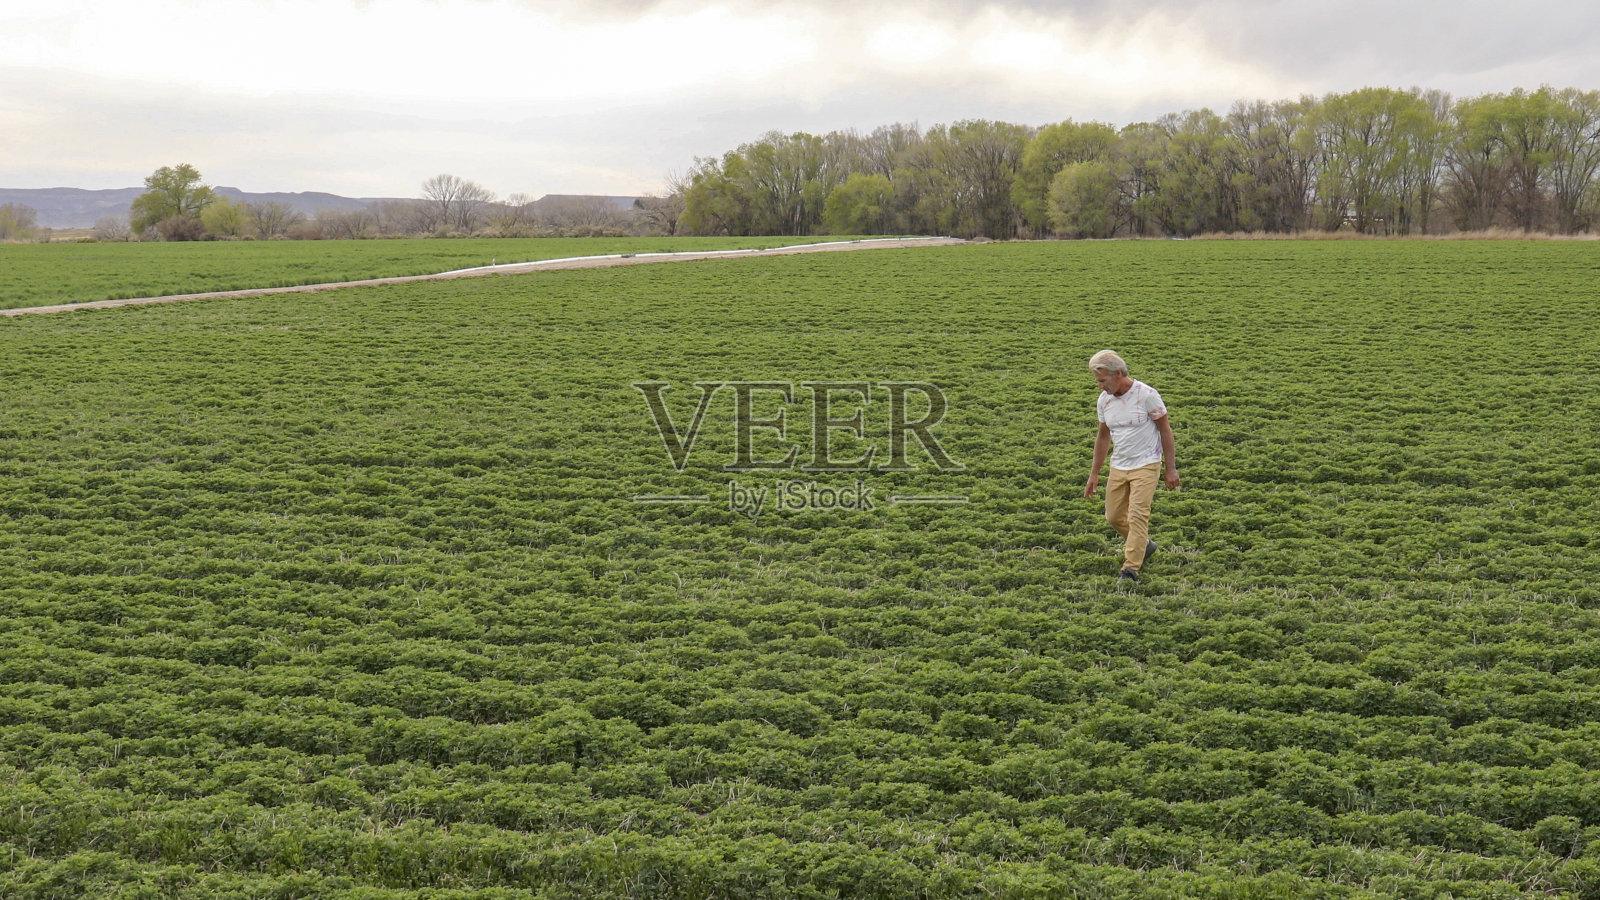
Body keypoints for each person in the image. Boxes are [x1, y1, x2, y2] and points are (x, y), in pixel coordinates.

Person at [1083, 350, 1180, 581]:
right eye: (1097, 381)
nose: (1099, 386)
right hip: (1120, 464)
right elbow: (1103, 436)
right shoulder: (1105, 400)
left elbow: (1165, 430)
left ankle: (1131, 568)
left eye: (1102, 380)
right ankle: (1144, 545)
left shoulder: (1146, 395)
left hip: (1146, 463)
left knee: (1138, 515)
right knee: (1114, 517)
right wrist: (1094, 473)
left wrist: (1171, 468)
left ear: (1118, 374)